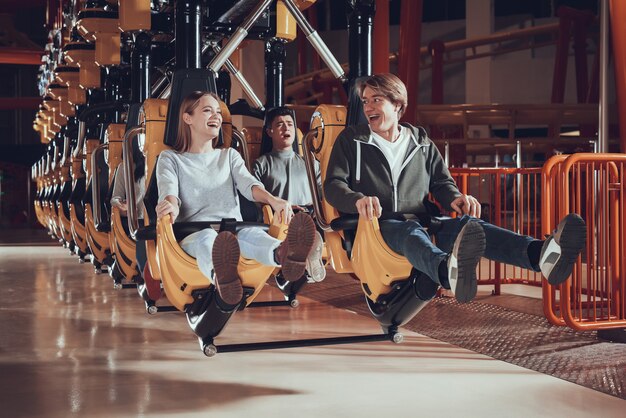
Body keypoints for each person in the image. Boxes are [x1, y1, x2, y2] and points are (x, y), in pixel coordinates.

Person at [324, 73, 586, 303]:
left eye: (376, 100)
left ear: (397, 104)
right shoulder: (352, 139)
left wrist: (455, 199)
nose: (368, 106)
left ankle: (541, 255)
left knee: (472, 227)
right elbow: (334, 185)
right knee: (410, 232)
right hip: (378, 226)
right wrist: (357, 200)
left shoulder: (421, 142)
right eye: (366, 100)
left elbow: (440, 182)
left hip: (422, 220)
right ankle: (446, 272)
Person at [155, 91, 321, 308]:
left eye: (217, 111)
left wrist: (274, 200)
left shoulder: (229, 155)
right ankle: (222, 276)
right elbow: (170, 191)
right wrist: (171, 208)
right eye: (207, 111)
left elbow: (249, 185)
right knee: (208, 239)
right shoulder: (171, 158)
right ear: (188, 118)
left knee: (253, 235)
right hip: (193, 233)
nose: (215, 116)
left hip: (233, 231)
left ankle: (282, 254)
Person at [252, 107, 325, 282]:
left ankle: (309, 249)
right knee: (301, 225)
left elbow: (322, 195)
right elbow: (254, 198)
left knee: (309, 221)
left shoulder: (310, 162)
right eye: (280, 125)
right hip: (280, 218)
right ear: (270, 132)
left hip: (310, 214)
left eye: (290, 124)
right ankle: (311, 246)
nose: (286, 129)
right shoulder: (261, 163)